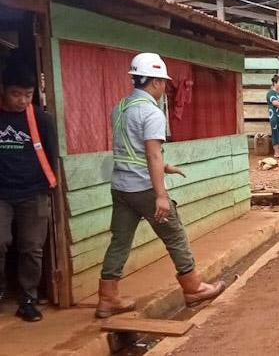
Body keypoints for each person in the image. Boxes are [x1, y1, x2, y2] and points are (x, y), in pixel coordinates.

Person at [95, 53, 226, 318]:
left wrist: (165, 167)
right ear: (154, 82)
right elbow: (153, 154)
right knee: (175, 235)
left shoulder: (120, 108)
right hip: (144, 188)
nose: (165, 88)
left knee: (119, 241)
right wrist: (161, 195)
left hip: (121, 188)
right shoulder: (151, 113)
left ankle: (107, 297)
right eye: (164, 82)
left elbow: (131, 151)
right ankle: (193, 288)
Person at [0, 62, 57, 322]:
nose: (23, 100)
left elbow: (52, 155)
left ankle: (27, 298)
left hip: (34, 192)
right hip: (2, 194)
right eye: (16, 94)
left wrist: (49, 189)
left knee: (32, 248)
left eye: (28, 95)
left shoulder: (41, 120)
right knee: (0, 242)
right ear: (3, 90)